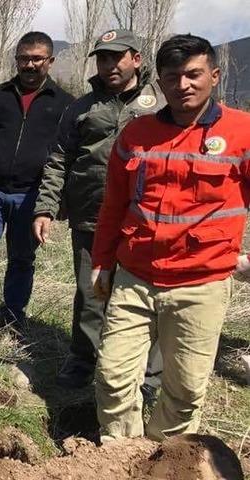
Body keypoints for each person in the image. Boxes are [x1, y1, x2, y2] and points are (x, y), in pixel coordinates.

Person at [90, 34, 250, 441]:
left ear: (214, 76)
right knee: (111, 376)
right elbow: (113, 207)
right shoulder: (136, 134)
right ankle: (118, 453)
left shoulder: (242, 132)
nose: (184, 85)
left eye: (194, 74)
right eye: (172, 77)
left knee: (185, 389)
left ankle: (165, 457)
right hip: (135, 277)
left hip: (201, 285)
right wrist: (101, 263)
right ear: (159, 83)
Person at [33, 29, 165, 391]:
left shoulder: (162, 104)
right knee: (92, 291)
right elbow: (58, 159)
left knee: (146, 295)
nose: (108, 65)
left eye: (116, 57)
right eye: (102, 58)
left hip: (146, 220)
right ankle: (83, 359)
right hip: (91, 214)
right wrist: (45, 207)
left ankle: (149, 376)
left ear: (136, 58)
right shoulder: (81, 107)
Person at [0, 32, 73, 335]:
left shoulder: (63, 104)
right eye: (24, 58)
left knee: (22, 260)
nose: (30, 65)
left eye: (37, 59)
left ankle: (12, 320)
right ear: (16, 59)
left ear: (50, 61)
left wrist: (55, 201)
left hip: (31, 195)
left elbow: (65, 156)